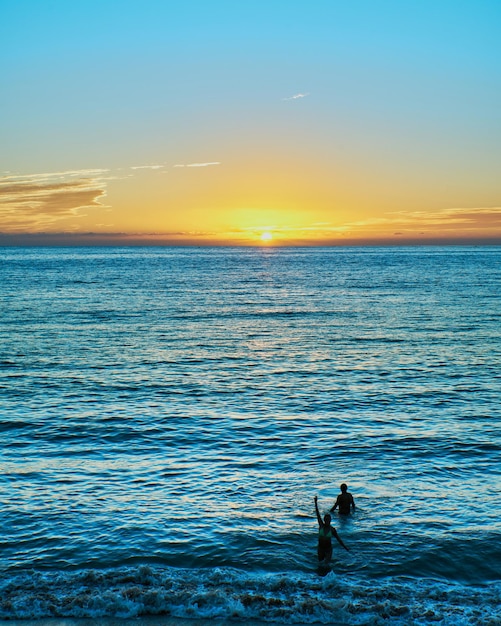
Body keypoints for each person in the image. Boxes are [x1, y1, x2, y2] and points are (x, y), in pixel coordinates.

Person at [314, 496, 349, 563]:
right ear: (324, 520)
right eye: (326, 520)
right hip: (321, 548)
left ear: (330, 520)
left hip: (328, 549)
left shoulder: (332, 529)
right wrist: (315, 503)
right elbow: (317, 514)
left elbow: (338, 539)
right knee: (320, 564)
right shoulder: (321, 525)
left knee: (327, 564)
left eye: (328, 520)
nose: (327, 521)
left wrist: (345, 547)